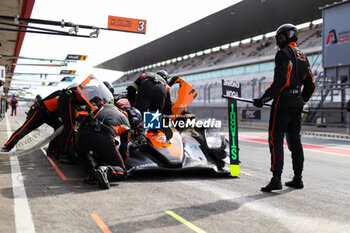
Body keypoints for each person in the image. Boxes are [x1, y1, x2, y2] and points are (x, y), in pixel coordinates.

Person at [253, 23, 316, 192]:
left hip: (283, 101)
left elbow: (280, 82)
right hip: (297, 102)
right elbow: (311, 84)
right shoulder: (303, 56)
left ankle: (276, 178)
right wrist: (301, 100)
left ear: (284, 36)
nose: (278, 40)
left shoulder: (283, 54)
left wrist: (263, 99)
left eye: (279, 37)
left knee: (276, 138)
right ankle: (298, 178)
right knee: (295, 140)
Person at [77, 103, 142, 189]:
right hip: (104, 138)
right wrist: (120, 162)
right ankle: (105, 170)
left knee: (82, 151)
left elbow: (87, 118)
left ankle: (91, 173)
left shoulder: (107, 106)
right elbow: (124, 148)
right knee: (122, 171)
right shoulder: (127, 125)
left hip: (86, 133)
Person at [126, 70, 172, 145]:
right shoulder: (166, 85)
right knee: (153, 116)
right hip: (161, 90)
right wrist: (166, 122)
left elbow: (131, 88)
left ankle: (139, 136)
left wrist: (132, 105)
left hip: (147, 85)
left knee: (138, 114)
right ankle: (154, 132)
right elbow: (168, 106)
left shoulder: (144, 75)